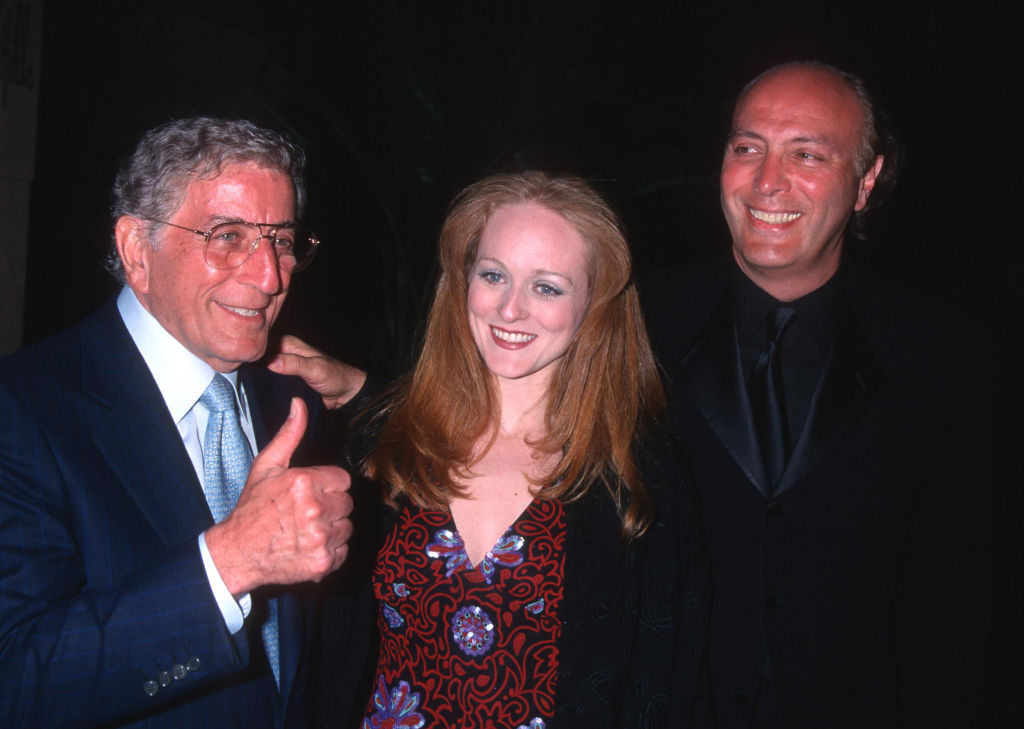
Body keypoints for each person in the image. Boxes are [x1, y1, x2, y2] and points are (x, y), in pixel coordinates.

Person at [644, 61, 991, 728]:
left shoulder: (944, 354)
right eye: (747, 148)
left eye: (807, 154)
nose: (767, 181)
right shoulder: (636, 322)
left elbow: (951, 599)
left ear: (866, 183)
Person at [317, 171, 709, 728]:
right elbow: (329, 655)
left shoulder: (642, 471)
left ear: (594, 305)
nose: (509, 309)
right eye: (494, 275)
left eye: (547, 286)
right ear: (463, 282)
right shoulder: (383, 441)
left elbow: (665, 681)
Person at [0, 117, 354, 728]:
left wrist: (365, 391)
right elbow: (16, 678)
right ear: (138, 250)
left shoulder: (290, 395)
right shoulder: (23, 410)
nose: (270, 277)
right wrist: (231, 562)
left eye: (283, 240)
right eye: (228, 236)